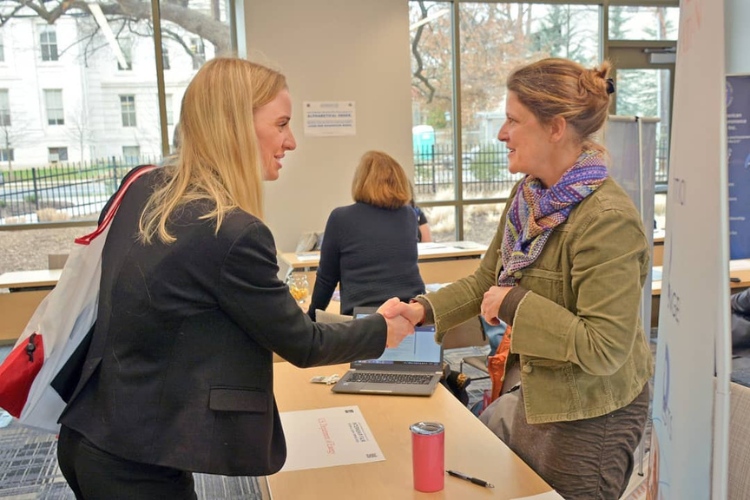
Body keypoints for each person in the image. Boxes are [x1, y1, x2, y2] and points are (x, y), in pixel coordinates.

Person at [55, 58, 414, 499]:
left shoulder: (145, 187)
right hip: (138, 460)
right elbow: (303, 343)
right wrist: (383, 329)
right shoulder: (231, 231)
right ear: (235, 126)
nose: (292, 141)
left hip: (94, 430)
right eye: (281, 124)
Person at [389, 58, 654, 499]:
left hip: (593, 413)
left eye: (513, 120)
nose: (501, 133)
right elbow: (485, 283)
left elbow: (605, 348)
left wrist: (512, 303)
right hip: (537, 393)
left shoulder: (607, 221)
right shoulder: (527, 196)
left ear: (556, 127)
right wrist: (420, 310)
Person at [307, 150, 425, 319]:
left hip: (364, 321)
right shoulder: (409, 215)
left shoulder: (341, 218)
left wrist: (311, 317)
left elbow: (327, 279)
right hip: (409, 313)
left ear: (362, 181)